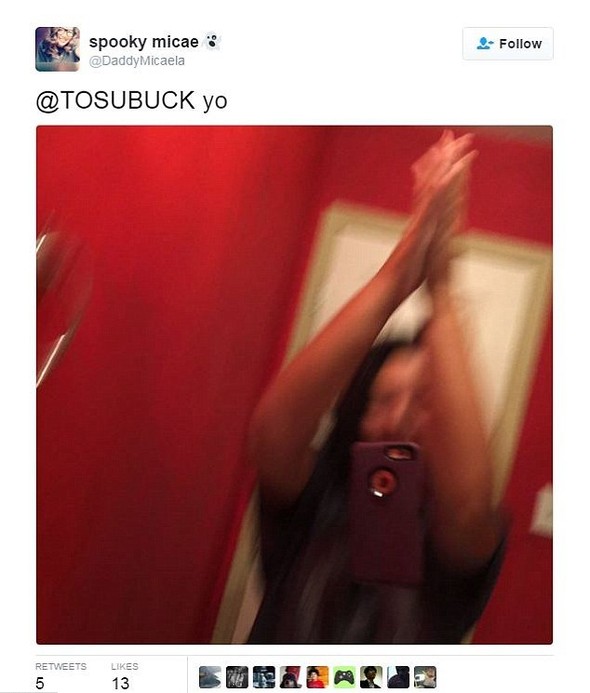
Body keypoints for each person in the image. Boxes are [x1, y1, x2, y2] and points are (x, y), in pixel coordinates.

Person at [247, 132, 506, 644]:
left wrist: (442, 283)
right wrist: (401, 268)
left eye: (424, 402)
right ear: (358, 417)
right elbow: (271, 436)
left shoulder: (453, 541)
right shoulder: (319, 497)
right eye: (385, 399)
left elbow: (469, 507)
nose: (403, 416)